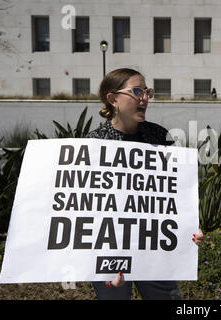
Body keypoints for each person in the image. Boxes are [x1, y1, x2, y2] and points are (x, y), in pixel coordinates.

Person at [86, 68, 203, 300]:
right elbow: (88, 209)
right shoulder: (94, 143)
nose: (145, 98)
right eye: (137, 91)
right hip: (111, 251)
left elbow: (172, 193)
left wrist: (189, 229)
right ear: (113, 99)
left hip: (153, 248)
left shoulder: (159, 136)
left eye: (147, 91)